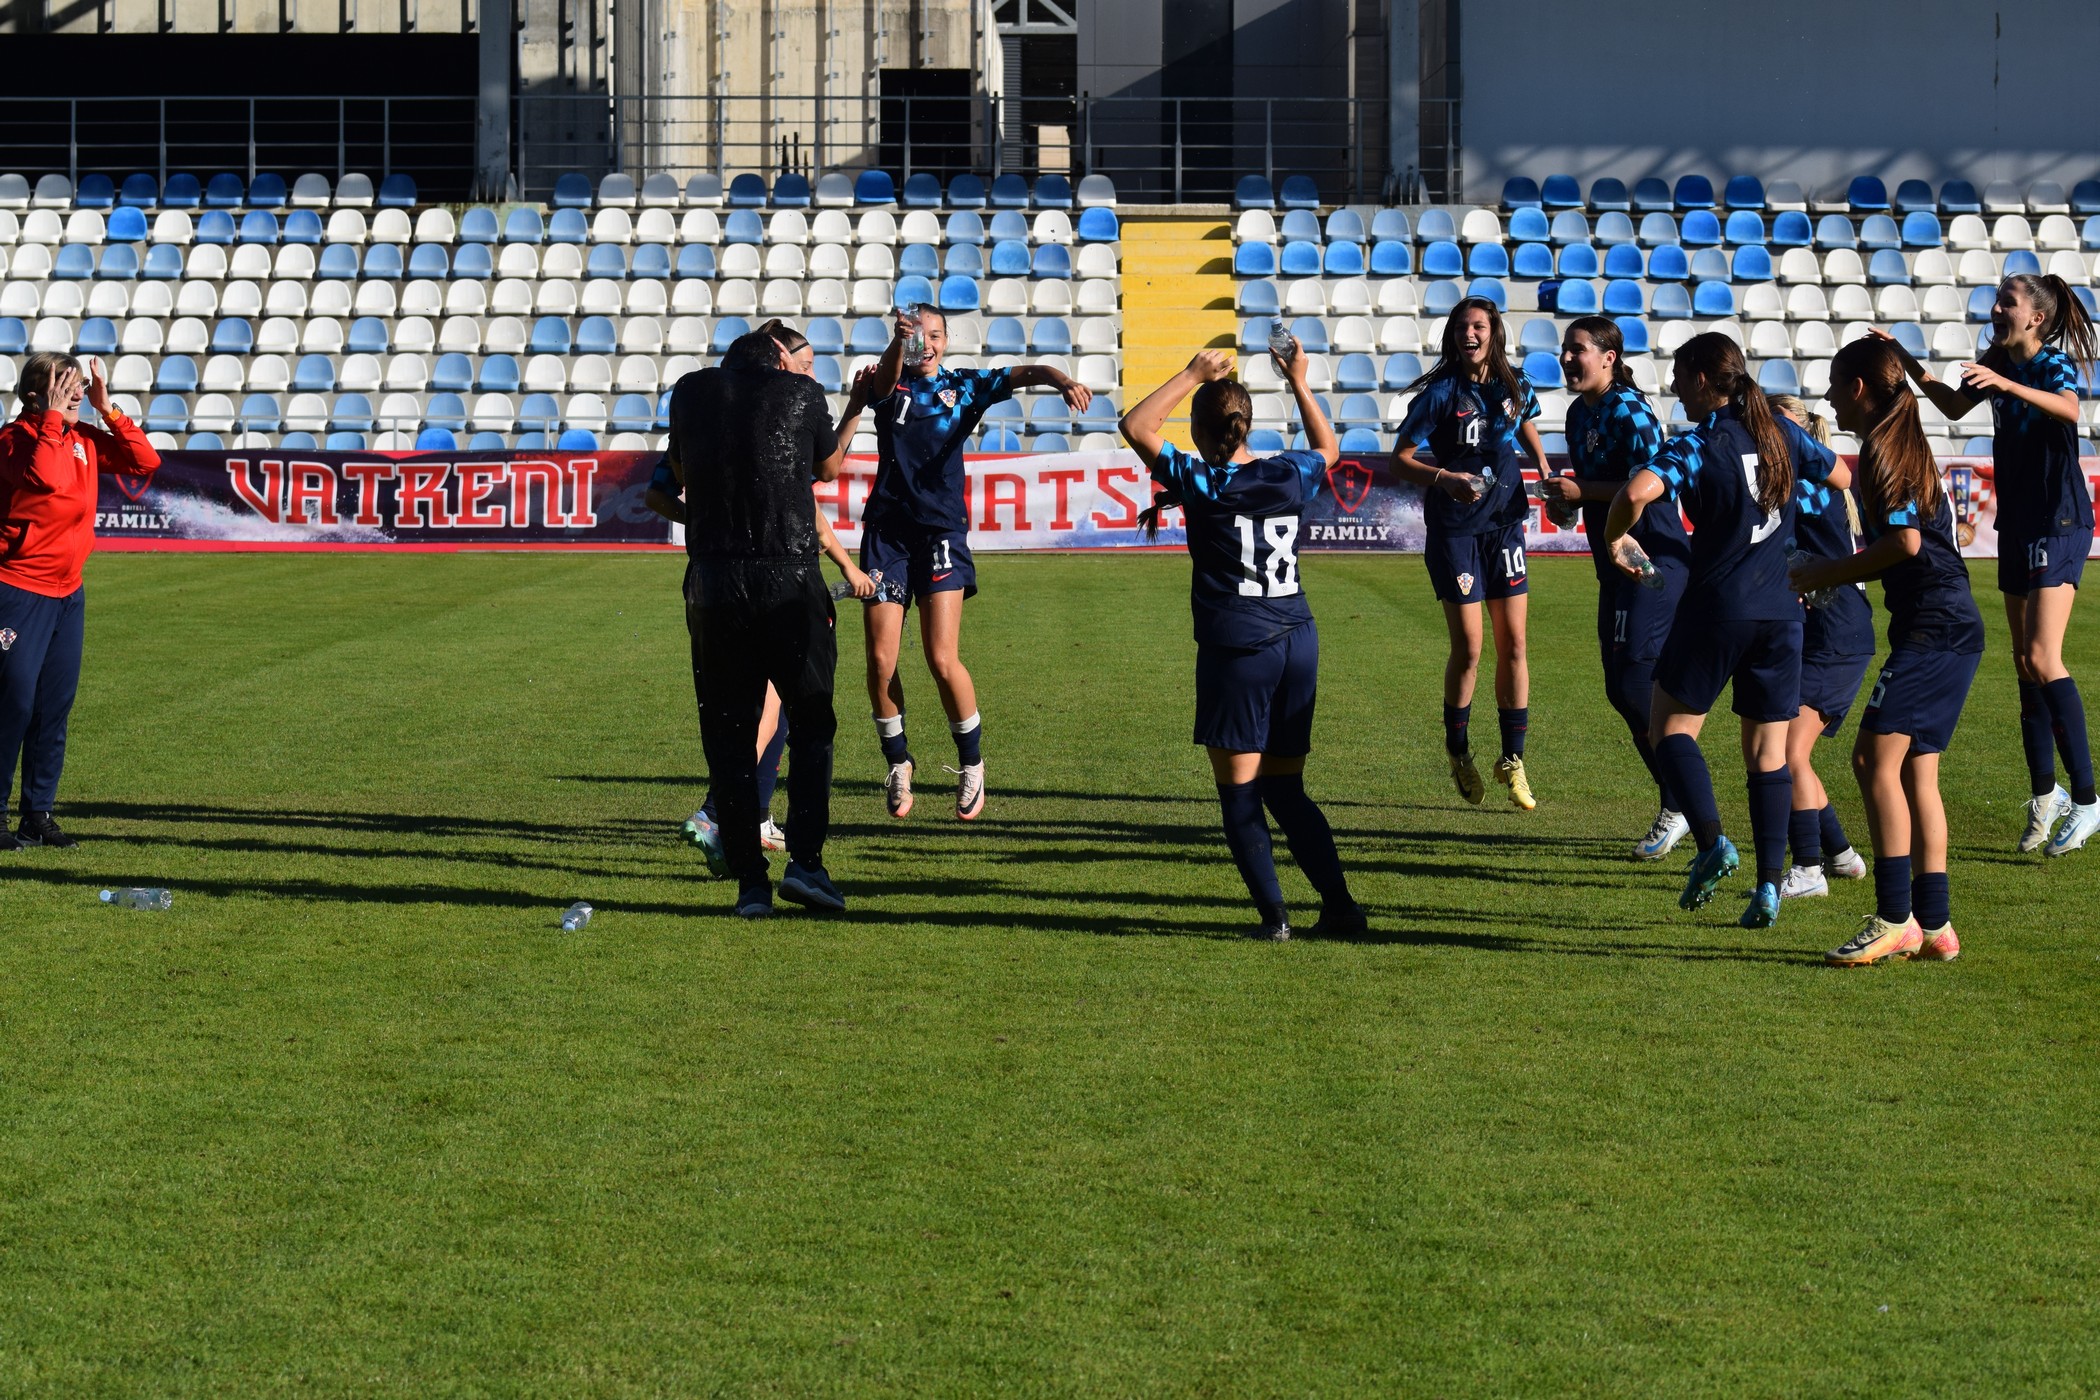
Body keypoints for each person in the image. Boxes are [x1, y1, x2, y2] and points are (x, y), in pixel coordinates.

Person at [1118, 341, 1365, 940]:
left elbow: (1136, 425)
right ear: (1247, 424)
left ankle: (1274, 920)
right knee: (1286, 788)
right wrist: (1299, 380)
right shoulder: (1287, 472)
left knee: (1240, 793)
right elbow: (1329, 450)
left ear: (1202, 432)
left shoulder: (1205, 481)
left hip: (1240, 646)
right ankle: (1341, 908)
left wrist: (1191, 373)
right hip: (1297, 638)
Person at [1603, 332, 1849, 929]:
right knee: (1769, 755)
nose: (1673, 386)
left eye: (1679, 375)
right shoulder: (1782, 432)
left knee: (1669, 729)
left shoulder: (1700, 441)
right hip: (1783, 613)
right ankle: (1768, 885)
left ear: (1703, 379)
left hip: (1717, 607)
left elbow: (1637, 490)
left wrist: (1615, 537)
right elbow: (1841, 476)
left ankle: (1712, 842)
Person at [1870, 275, 2097, 856]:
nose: (1994, 309)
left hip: (2059, 520)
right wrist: (1902, 355)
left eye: (2007, 303)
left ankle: (2088, 799)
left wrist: (2006, 384)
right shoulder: (1996, 360)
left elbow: (2069, 410)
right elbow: (1950, 403)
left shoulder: (2050, 363)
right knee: (2023, 664)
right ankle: (2045, 795)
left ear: (2036, 318)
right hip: (2018, 524)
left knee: (2043, 657)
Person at [852, 304, 1092, 822]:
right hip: (887, 536)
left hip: (940, 533)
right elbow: (884, 382)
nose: (926, 344)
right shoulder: (886, 382)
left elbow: (1022, 373)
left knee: (942, 659)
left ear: (947, 340)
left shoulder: (963, 387)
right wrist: (898, 343)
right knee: (880, 661)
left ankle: (971, 764)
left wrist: (1061, 379)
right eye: (917, 336)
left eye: (935, 335)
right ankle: (898, 761)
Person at [1789, 337, 1986, 966]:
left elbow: (1904, 543)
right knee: (1915, 771)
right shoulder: (1900, 440)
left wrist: (1827, 572)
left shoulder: (1882, 449)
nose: (1827, 396)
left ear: (1858, 389)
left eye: (1833, 382)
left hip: (1935, 625)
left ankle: (1895, 917)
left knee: (1873, 760)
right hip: (1947, 624)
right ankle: (1935, 924)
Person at [668, 327, 852, 918]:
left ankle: (751, 882)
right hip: (787, 575)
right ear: (778, 357)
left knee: (728, 731)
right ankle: (806, 864)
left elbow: (673, 475)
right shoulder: (801, 393)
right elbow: (828, 467)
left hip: (714, 581)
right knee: (812, 722)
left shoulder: (690, 391)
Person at [644, 450, 874, 873]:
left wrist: (701, 521)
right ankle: (717, 812)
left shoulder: (704, 424)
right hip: (771, 581)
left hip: (713, 584)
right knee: (774, 703)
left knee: (752, 707)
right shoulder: (773, 431)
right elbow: (812, 512)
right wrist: (848, 567)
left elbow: (656, 494)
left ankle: (755, 817)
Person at [1391, 296, 1550, 811]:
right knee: (1471, 649)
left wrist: (1544, 467)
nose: (1470, 334)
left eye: (1478, 326)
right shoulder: (1440, 394)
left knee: (1516, 644)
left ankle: (1513, 759)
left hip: (1505, 526)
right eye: (1462, 327)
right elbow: (1400, 459)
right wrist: (1444, 478)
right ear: (1453, 336)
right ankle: (1459, 751)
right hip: (1456, 532)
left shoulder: (1516, 385)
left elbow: (1525, 420)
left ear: (1494, 332)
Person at [0, 352, 158, 851]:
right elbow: (43, 477)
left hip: (68, 593)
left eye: (78, 385)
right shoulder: (13, 440)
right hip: (18, 589)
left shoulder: (81, 438)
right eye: (63, 385)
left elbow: (145, 462)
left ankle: (37, 816)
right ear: (34, 396)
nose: (75, 393)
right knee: (12, 705)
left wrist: (107, 409)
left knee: (53, 708)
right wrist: (52, 418)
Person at [1543, 316, 1688, 857]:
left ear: (1609, 357)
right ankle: (1681, 798)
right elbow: (1597, 492)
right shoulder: (1578, 413)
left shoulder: (1630, 407)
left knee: (1633, 685)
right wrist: (1568, 503)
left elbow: (1650, 483)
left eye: (1577, 349)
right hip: (1615, 563)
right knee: (1621, 689)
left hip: (1650, 559)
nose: (1566, 358)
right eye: (1564, 349)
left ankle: (1681, 803)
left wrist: (1582, 491)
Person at [1768, 395, 1873, 899]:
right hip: (1829, 630)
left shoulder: (1806, 485)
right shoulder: (1813, 483)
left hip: (1836, 633)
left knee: (1788, 753)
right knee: (1793, 753)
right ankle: (1840, 854)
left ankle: (1809, 869)